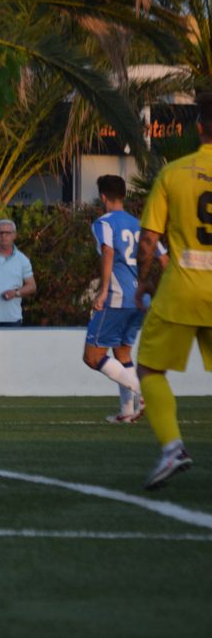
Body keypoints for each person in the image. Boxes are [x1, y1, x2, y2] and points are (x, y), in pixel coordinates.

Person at [134, 95, 212, 490]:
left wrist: (142, 281)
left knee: (149, 368)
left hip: (181, 289)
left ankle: (172, 448)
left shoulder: (174, 172)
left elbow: (149, 240)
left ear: (198, 129)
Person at [82, 175, 165, 424]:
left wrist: (103, 291)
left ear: (103, 196)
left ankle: (143, 392)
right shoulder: (141, 224)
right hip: (140, 300)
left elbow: (108, 251)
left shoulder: (104, 223)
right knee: (122, 354)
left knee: (92, 356)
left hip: (118, 297)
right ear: (124, 196)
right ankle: (127, 412)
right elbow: (163, 259)